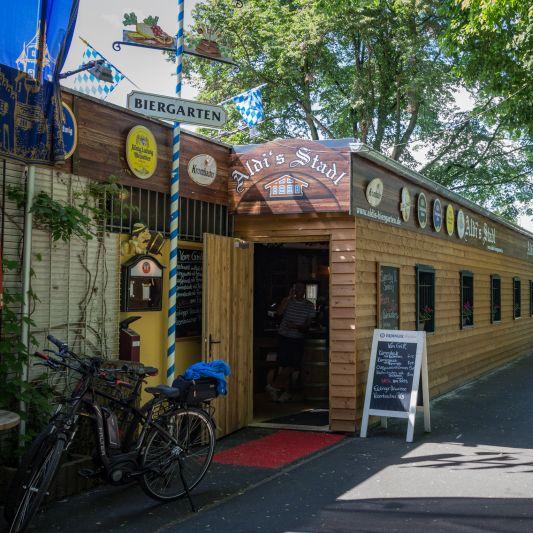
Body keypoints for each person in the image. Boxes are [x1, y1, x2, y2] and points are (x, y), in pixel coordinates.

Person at [266, 282, 315, 403]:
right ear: (293, 289)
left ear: (304, 291)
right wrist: (288, 298)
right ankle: (284, 392)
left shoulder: (309, 305)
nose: (299, 291)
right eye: (297, 288)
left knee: (294, 366)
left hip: (298, 338)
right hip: (284, 337)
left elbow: (307, 325)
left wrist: (296, 326)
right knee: (285, 365)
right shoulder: (288, 301)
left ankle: (274, 387)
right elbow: (279, 313)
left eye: (301, 289)